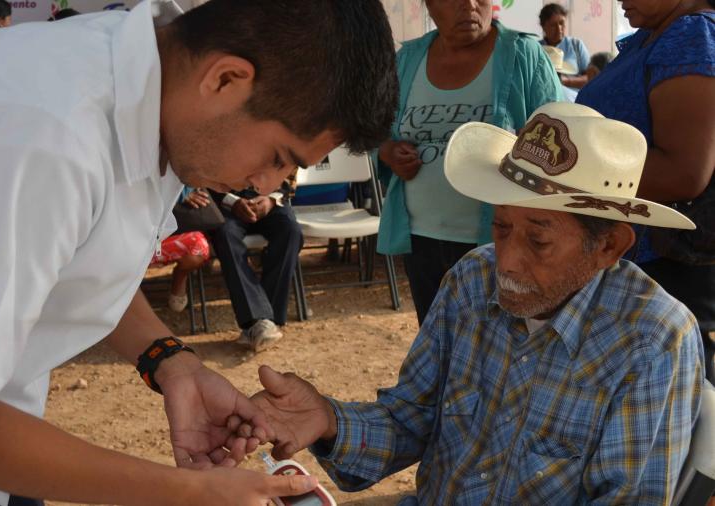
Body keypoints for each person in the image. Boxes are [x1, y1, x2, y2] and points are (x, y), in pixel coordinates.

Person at [0, 0, 399, 505]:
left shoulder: (166, 94)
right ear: (225, 80)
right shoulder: (44, 135)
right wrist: (188, 492)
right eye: (279, 155)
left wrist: (171, 362)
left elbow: (70, 261)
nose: (269, 186)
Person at [248, 102, 704, 505]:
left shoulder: (652, 340)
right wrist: (328, 420)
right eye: (501, 227)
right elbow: (412, 419)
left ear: (609, 247)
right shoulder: (472, 279)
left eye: (539, 240)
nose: (506, 261)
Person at [375, 0, 560, 325]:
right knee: (434, 338)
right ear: (429, 6)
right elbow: (381, 131)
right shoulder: (408, 59)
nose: (470, 5)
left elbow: (559, 138)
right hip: (421, 236)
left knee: (497, 343)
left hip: (501, 238)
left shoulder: (522, 55)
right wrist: (390, 152)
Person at [576, 0, 715, 384]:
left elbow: (684, 172)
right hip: (632, 255)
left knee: (664, 397)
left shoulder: (689, 35)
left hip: (660, 264)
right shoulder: (653, 37)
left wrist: (569, 159)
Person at [210, 171, 302, 351]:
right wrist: (233, 201)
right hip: (226, 202)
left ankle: (264, 321)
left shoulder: (282, 141)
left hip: (271, 200)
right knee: (226, 235)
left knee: (291, 232)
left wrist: (271, 200)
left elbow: (290, 173)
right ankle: (257, 320)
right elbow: (204, 175)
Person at [151, 189, 213, 313]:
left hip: (166, 231)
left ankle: (180, 276)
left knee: (198, 247)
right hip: (135, 234)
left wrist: (182, 194)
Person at [539, 3, 591, 101]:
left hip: (574, 104)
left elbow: (591, 78)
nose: (559, 29)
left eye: (561, 23)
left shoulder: (576, 45)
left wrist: (565, 81)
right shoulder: (537, 49)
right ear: (543, 26)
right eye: (553, 25)